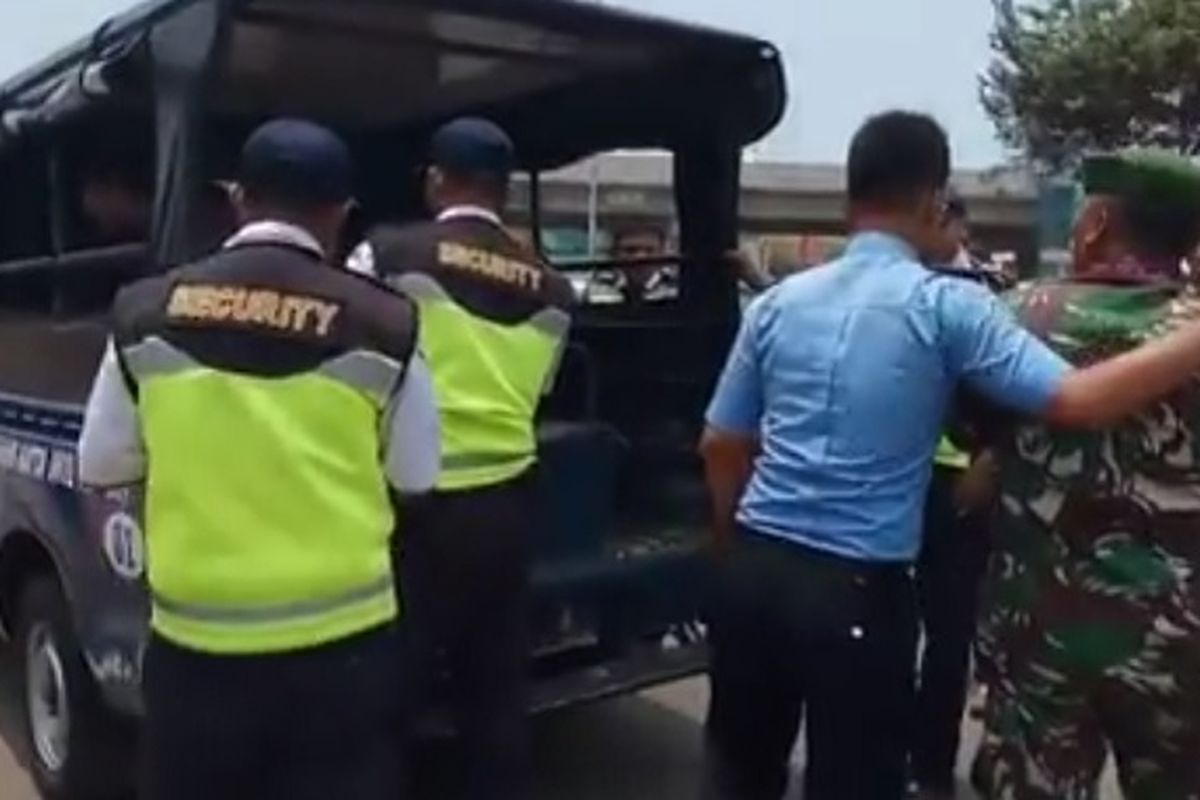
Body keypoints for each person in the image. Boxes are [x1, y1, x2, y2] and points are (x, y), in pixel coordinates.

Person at [699, 111, 1200, 800]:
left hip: (761, 574)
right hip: (861, 591)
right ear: (936, 202)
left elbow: (721, 442)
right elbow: (1076, 400)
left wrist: (732, 541)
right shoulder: (948, 308)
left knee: (738, 774)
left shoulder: (780, 302)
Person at [77, 118, 440, 800]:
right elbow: (416, 476)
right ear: (341, 214)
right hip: (345, 654)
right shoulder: (387, 321)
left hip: (197, 656)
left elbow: (101, 464)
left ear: (239, 198)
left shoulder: (144, 312)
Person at [348, 117, 575, 800]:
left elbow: (339, 344)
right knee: (496, 691)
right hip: (507, 507)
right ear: (504, 191)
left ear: (435, 180)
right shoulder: (555, 290)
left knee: (389, 692)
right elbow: (542, 388)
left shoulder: (387, 254)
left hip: (412, 508)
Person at [971, 150, 1200, 800]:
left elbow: (965, 441)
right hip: (1179, 637)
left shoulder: (1016, 316)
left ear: (1096, 224)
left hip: (1038, 630)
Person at [911, 193, 1000, 800]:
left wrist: (988, 463)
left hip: (956, 488)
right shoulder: (894, 288)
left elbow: (1011, 397)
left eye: (941, 219)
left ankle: (931, 768)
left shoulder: (985, 295)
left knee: (948, 638)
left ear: (959, 226)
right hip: (894, 484)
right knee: (880, 632)